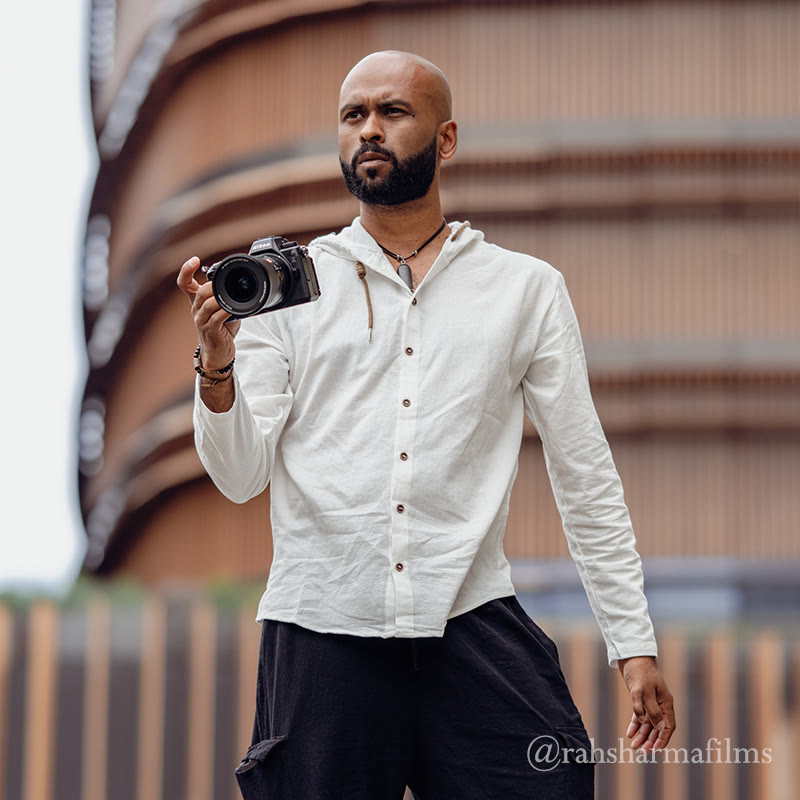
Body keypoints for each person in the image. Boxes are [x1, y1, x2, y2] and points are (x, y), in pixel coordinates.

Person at [178, 50, 675, 799]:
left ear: (445, 140)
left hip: (470, 618)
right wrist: (217, 365)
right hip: (321, 631)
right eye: (353, 116)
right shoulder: (287, 288)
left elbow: (585, 473)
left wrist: (631, 641)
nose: (369, 131)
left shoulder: (525, 289)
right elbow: (240, 474)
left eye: (392, 112)